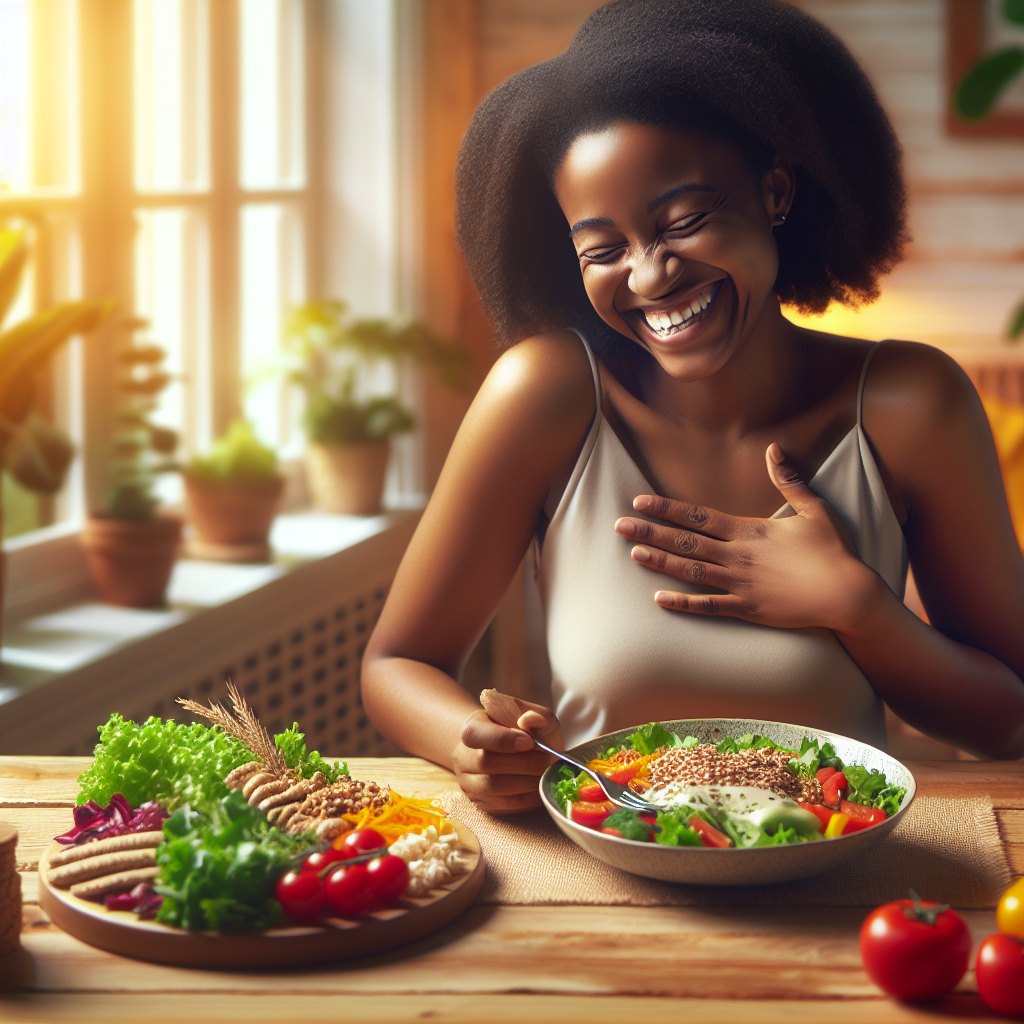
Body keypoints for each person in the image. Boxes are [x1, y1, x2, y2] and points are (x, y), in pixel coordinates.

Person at [362, 0, 1024, 812]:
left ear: (775, 192)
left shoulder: (911, 404)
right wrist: (468, 741)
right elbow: (397, 664)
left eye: (684, 220)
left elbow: (1009, 721)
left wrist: (859, 611)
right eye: (604, 249)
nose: (649, 277)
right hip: (606, 865)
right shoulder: (544, 395)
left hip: (836, 873)